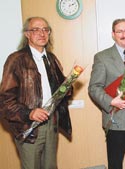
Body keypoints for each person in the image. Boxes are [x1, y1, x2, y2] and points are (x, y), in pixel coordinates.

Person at [0, 17, 72, 169]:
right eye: (36, 29)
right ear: (27, 34)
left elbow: (61, 90)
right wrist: (29, 113)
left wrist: (69, 86)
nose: (42, 33)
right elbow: (5, 101)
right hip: (29, 128)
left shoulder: (51, 59)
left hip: (51, 123)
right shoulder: (16, 60)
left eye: (45, 29)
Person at [88, 18, 125, 169]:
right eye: (119, 31)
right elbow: (94, 87)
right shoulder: (102, 57)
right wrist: (111, 101)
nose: (124, 34)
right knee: (115, 163)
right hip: (116, 118)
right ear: (113, 34)